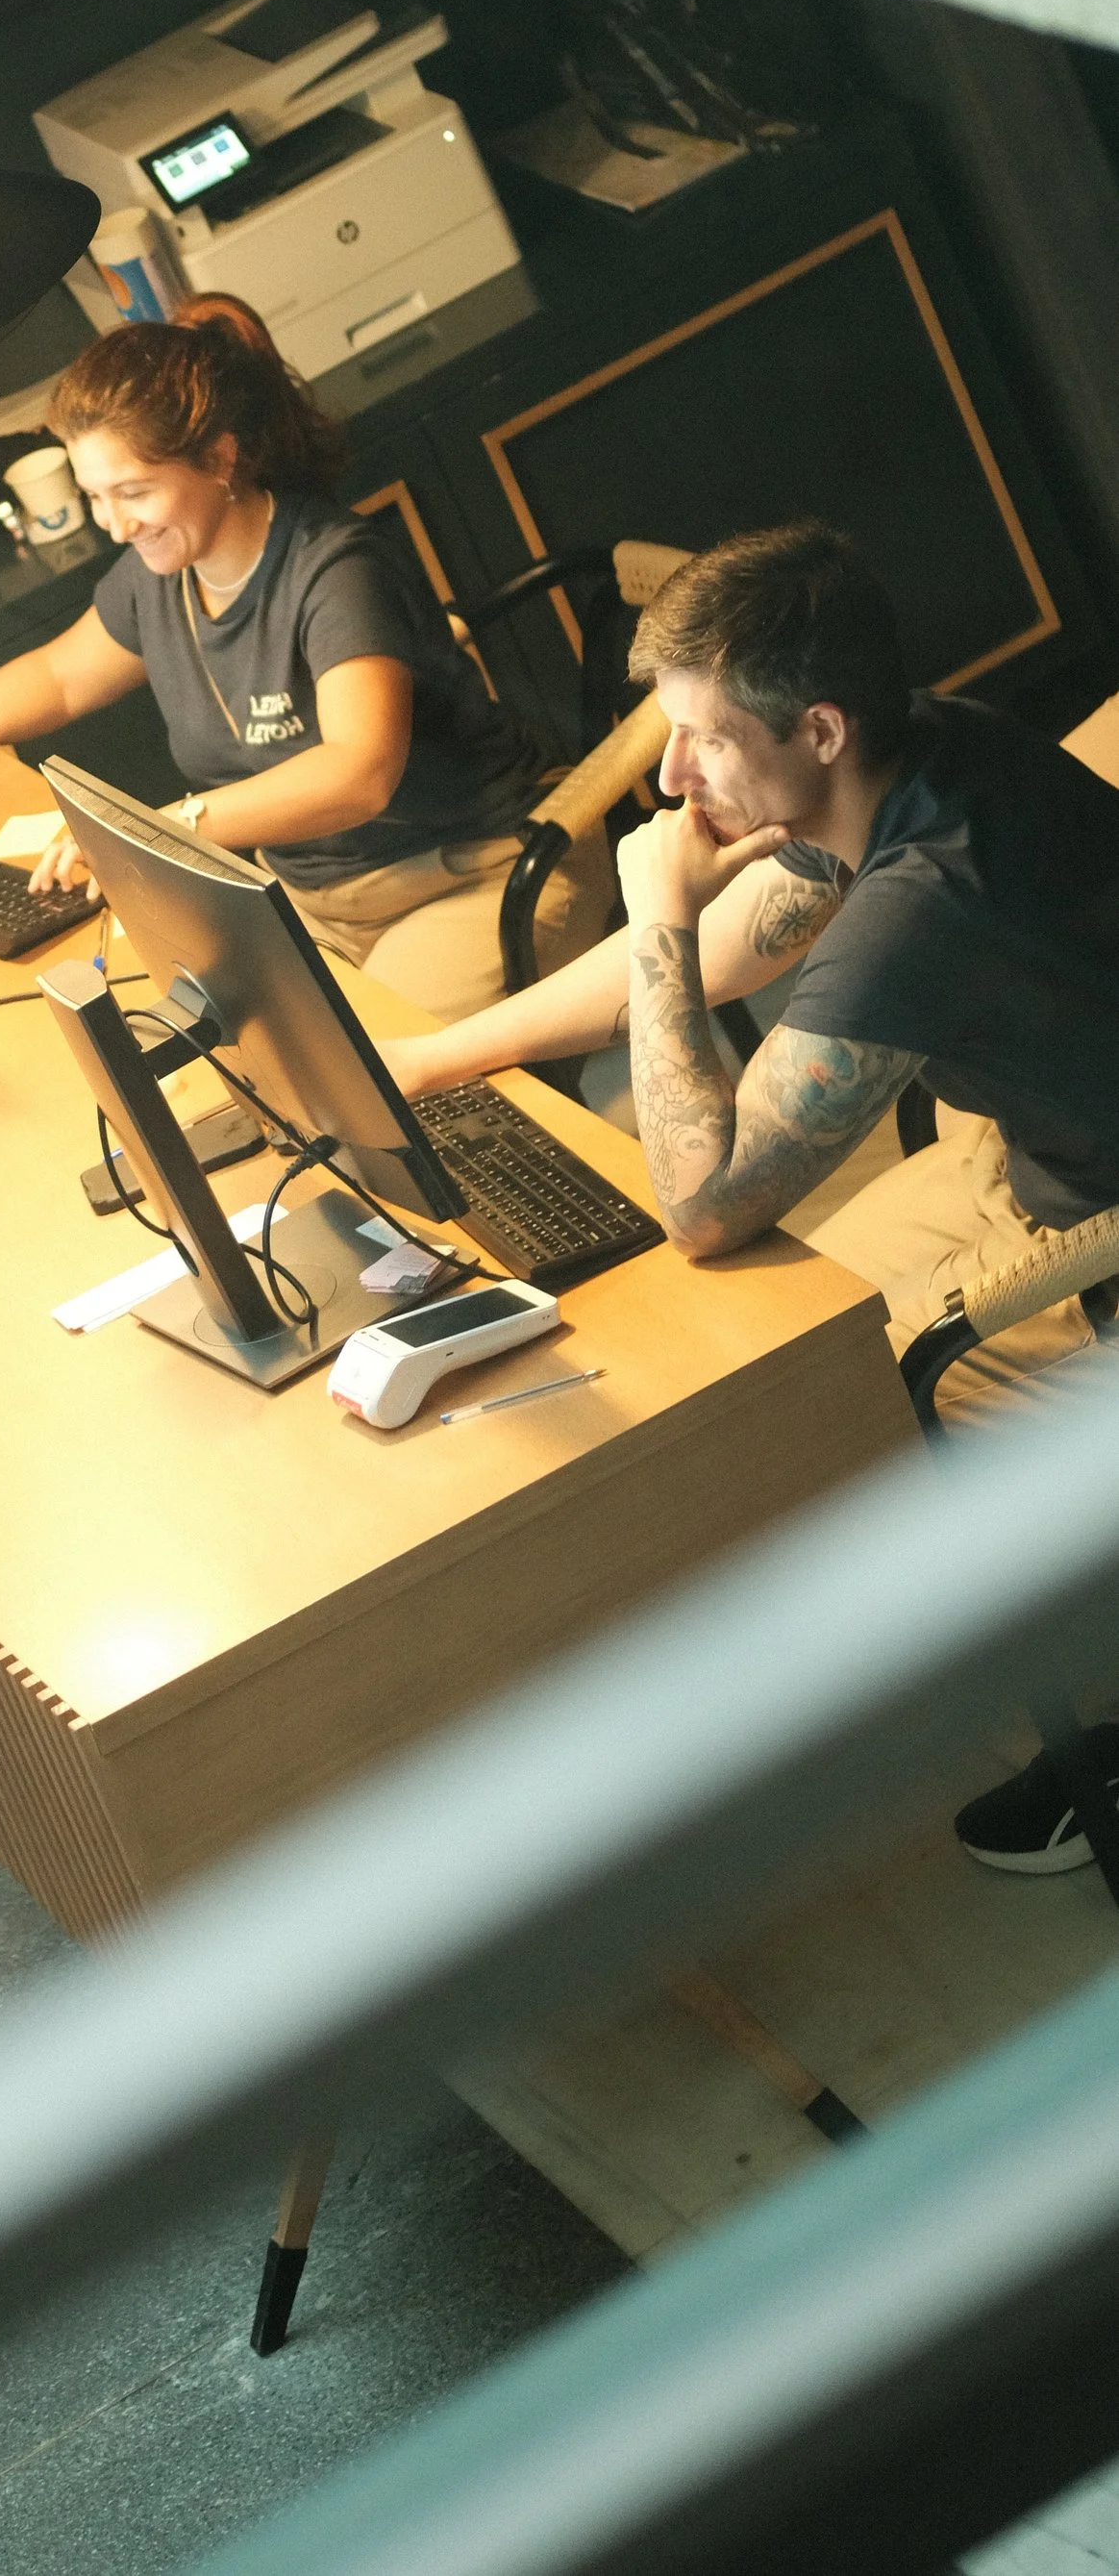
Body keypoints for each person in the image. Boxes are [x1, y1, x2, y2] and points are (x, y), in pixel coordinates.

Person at [376, 518, 1119, 1876]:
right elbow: (733, 946)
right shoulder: (924, 745)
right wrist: (434, 1056)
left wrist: (651, 914)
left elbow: (703, 1200)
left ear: (818, 727)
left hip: (1097, 1248)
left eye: (703, 740)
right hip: (1039, 1158)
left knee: (806, 1405)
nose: (669, 777)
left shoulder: (918, 907)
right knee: (766, 1357)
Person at [0, 294, 609, 1020]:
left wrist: (172, 829)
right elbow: (60, 677)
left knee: (375, 1091)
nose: (114, 525)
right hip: (315, 896)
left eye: (134, 492)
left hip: (480, 874)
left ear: (221, 458)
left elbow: (359, 773)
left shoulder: (337, 570)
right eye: (97, 495)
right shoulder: (162, 574)